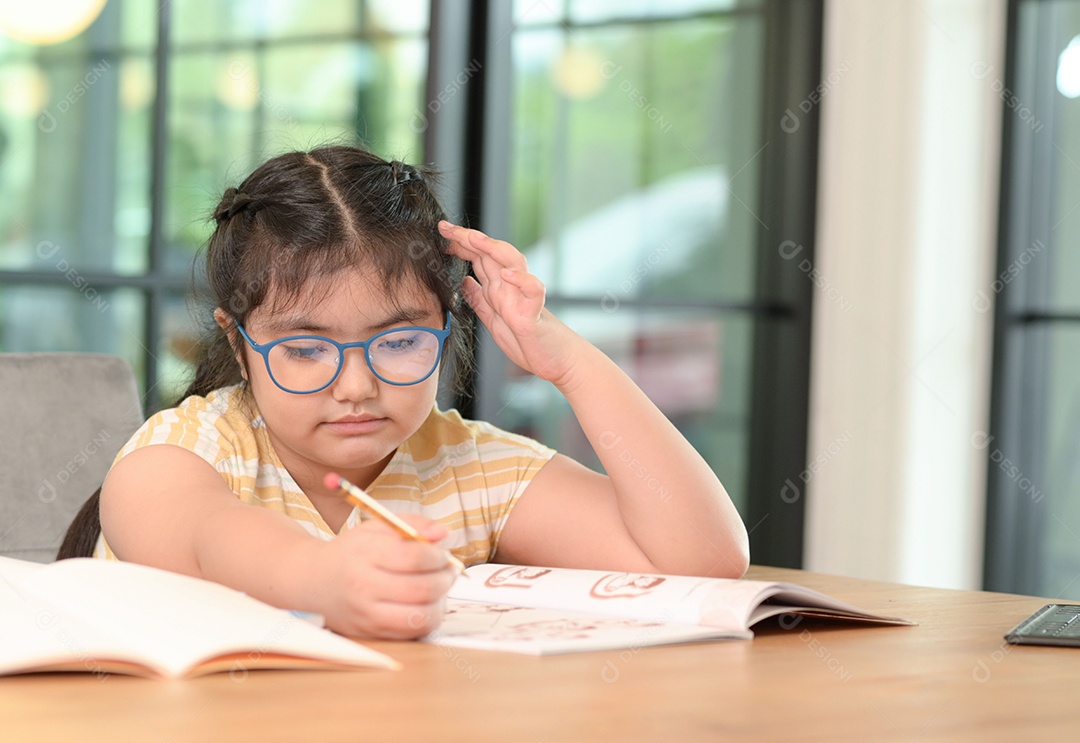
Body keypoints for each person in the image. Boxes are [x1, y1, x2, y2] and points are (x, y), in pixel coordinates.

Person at [82, 145, 748, 640]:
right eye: (306, 349)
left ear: (448, 325)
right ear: (238, 344)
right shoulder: (186, 447)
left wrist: (569, 361)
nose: (356, 386)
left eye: (399, 342)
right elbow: (208, 535)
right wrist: (326, 580)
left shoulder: (465, 465)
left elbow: (700, 560)